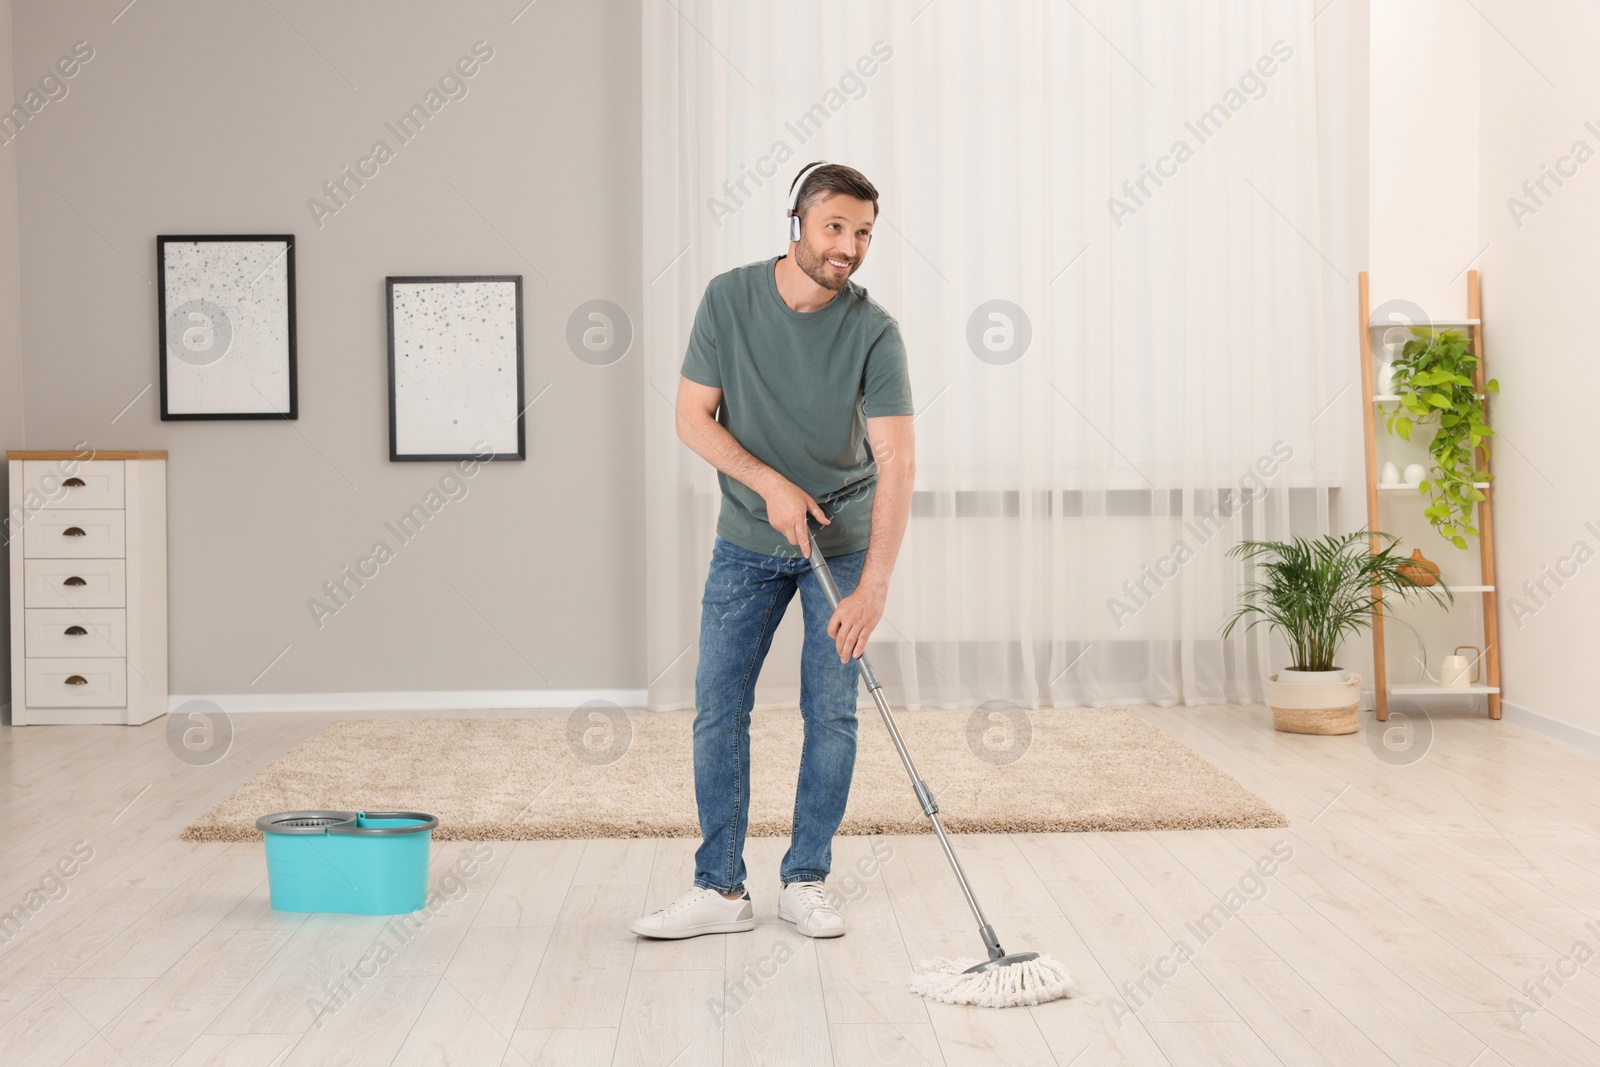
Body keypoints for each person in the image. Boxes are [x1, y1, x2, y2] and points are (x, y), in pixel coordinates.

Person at [630, 161, 915, 941]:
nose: (849, 247)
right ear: (796, 224)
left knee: (833, 713)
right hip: (749, 542)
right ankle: (720, 889)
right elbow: (693, 417)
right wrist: (771, 485)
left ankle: (806, 878)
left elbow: (898, 462)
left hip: (845, 543)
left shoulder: (873, 330)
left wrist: (874, 588)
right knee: (719, 707)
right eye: (835, 228)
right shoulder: (729, 298)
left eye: (862, 233)